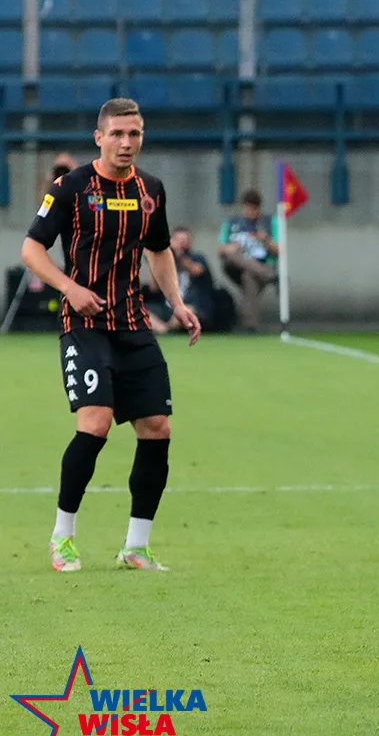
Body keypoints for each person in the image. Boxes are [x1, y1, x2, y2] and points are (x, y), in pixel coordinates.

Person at [21, 97, 201, 573]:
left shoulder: (151, 190)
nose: (126, 142)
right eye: (117, 134)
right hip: (84, 325)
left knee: (157, 428)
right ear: (99, 137)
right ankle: (62, 537)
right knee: (96, 423)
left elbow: (159, 250)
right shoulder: (71, 188)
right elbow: (31, 249)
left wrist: (177, 303)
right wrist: (69, 288)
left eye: (134, 133)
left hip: (133, 323)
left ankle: (136, 547)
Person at [219, 189, 279, 332]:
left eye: (253, 209)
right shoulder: (232, 223)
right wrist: (232, 247)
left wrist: (266, 240)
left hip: (261, 263)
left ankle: (250, 325)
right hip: (236, 266)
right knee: (232, 254)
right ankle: (271, 276)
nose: (250, 212)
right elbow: (221, 250)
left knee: (249, 278)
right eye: (247, 208)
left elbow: (279, 250)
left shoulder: (270, 222)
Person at [146, 227, 217, 333]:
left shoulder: (197, 258)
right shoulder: (164, 263)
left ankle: (169, 329)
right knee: (141, 310)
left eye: (185, 240)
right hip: (167, 307)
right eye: (178, 240)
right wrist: (155, 263)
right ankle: (164, 329)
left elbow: (196, 270)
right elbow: (154, 288)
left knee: (188, 310)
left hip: (192, 305)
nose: (181, 243)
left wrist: (178, 255)